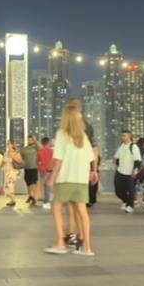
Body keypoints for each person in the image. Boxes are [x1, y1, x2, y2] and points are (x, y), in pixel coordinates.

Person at [44, 103, 96, 256]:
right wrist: (91, 172)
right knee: (82, 211)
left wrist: (52, 177)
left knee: (56, 207)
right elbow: (90, 157)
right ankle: (87, 248)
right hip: (81, 179)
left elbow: (58, 158)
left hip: (66, 177)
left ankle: (60, 243)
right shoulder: (83, 136)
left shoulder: (62, 133)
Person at [114, 130, 141, 213]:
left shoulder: (133, 147)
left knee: (131, 190)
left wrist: (134, 171)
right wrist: (117, 165)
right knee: (118, 191)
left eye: (124, 135)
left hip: (130, 173)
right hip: (120, 171)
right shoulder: (121, 146)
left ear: (129, 136)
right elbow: (117, 157)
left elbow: (138, 160)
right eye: (122, 135)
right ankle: (126, 201)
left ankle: (130, 206)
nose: (122, 137)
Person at [2, 140, 23, 207]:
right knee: (6, 186)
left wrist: (13, 156)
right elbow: (3, 161)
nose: (8, 145)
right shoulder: (6, 153)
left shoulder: (15, 152)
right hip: (6, 171)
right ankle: (11, 199)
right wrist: (0, 167)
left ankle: (13, 200)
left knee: (10, 185)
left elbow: (20, 161)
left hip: (12, 171)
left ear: (12, 145)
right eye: (7, 144)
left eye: (9, 144)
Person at [20, 135, 39, 206]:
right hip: (26, 168)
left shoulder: (36, 148)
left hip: (34, 168)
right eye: (29, 139)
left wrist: (35, 140)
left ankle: (32, 196)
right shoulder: (23, 149)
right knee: (28, 183)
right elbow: (21, 158)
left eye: (31, 140)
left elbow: (41, 148)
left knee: (33, 183)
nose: (30, 141)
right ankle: (30, 196)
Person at [37, 137, 54, 210]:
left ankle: (45, 200)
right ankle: (47, 201)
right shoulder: (51, 151)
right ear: (48, 142)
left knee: (44, 185)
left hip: (42, 170)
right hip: (49, 170)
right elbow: (53, 161)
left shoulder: (39, 151)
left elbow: (37, 161)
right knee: (48, 186)